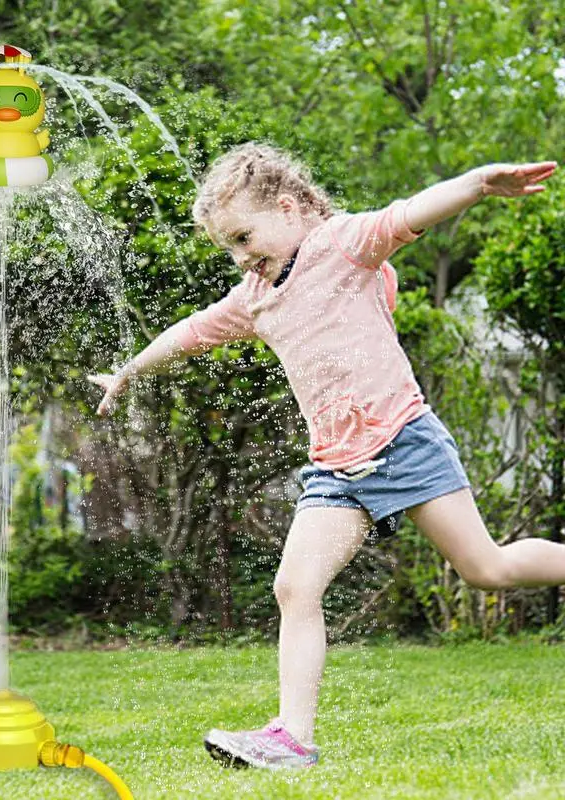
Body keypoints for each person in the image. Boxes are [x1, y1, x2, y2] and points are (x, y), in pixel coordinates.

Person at [87, 142, 558, 770]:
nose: (241, 256)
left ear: (287, 207)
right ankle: (291, 739)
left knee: (487, 569)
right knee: (294, 586)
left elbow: (408, 213)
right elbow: (196, 329)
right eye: (229, 247)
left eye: (244, 236)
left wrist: (475, 182)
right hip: (336, 467)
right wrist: (129, 370)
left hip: (402, 441)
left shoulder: (342, 245)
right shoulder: (256, 294)